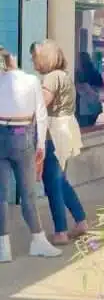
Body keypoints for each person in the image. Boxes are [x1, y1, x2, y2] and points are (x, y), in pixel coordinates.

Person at [0, 45, 61, 262]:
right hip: (23, 133)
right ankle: (38, 240)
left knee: (2, 195)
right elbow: (41, 115)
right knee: (28, 194)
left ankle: (3, 247)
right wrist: (40, 147)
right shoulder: (30, 80)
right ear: (13, 59)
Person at [32, 41, 88, 246]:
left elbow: (40, 105)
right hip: (65, 131)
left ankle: (61, 232)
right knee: (61, 181)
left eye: (35, 57)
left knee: (52, 183)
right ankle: (81, 221)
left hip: (54, 135)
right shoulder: (63, 76)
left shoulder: (52, 78)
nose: (33, 62)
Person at [75, 51, 104, 127]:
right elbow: (101, 90)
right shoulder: (96, 72)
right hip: (94, 107)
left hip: (83, 109)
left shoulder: (80, 74)